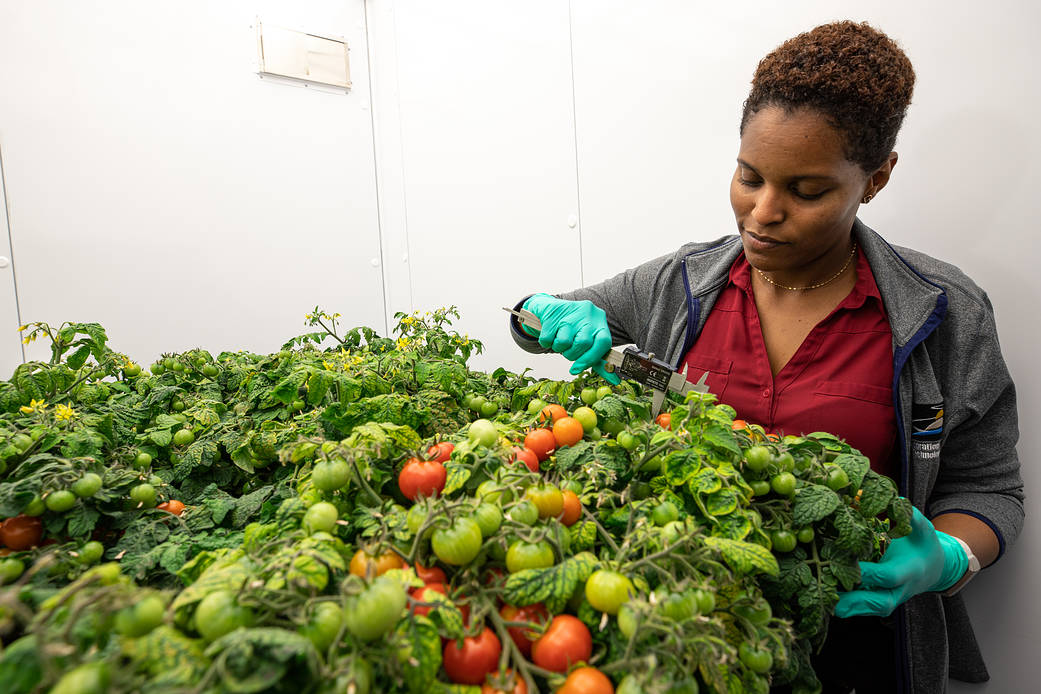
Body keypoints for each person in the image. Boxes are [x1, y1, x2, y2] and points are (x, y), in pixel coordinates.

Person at [508, 20, 1024, 694]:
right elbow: (528, 320)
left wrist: (947, 559)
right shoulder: (679, 284)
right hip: (680, 636)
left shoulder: (941, 311)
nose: (761, 212)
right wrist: (540, 310)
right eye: (748, 177)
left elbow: (989, 489)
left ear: (874, 178)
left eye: (806, 192)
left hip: (856, 649)